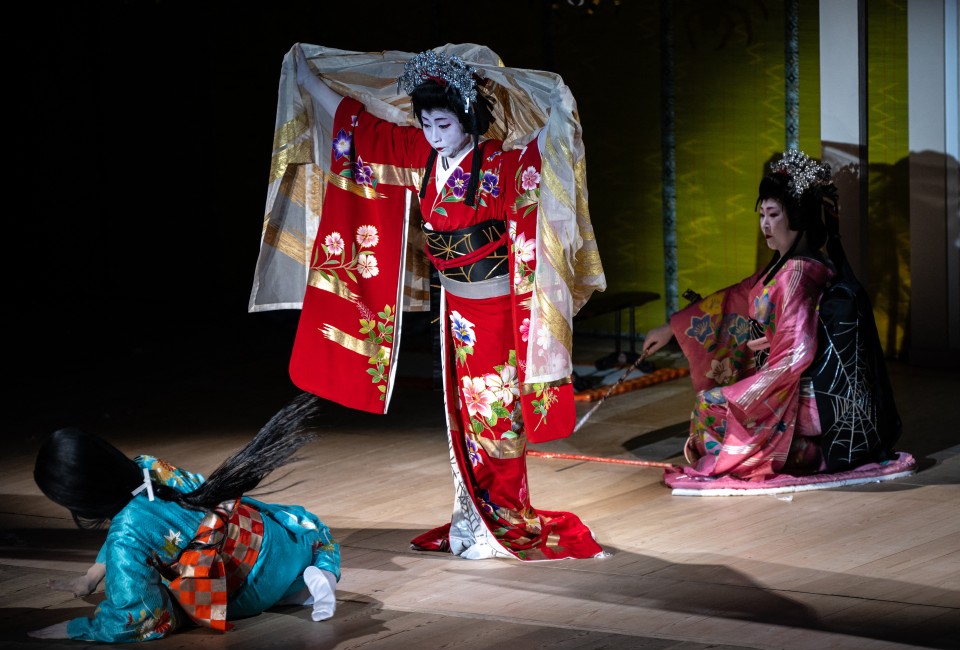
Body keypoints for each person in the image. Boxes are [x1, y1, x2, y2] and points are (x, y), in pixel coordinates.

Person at [249, 44, 607, 561]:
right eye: (427, 124)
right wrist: (309, 79)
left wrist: (556, 102)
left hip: (497, 314)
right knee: (462, 419)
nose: (434, 135)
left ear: (467, 119)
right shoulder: (421, 155)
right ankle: (474, 513)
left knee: (497, 417)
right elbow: (361, 129)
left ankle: (504, 518)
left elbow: (550, 148)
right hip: (456, 313)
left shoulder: (501, 165)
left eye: (443, 124)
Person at [643, 150, 900, 481]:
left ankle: (778, 455)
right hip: (812, 392)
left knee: (709, 406)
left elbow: (797, 352)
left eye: (774, 214)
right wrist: (671, 328)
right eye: (762, 214)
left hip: (810, 396)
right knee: (722, 400)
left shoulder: (795, 275)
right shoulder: (795, 265)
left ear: (798, 217)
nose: (765, 223)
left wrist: (747, 391)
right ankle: (798, 451)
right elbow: (736, 297)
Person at [28, 393, 341, 642]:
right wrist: (93, 576)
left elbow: (137, 618)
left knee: (176, 595)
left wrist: (78, 629)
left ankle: (299, 591)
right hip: (272, 537)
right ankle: (318, 574)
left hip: (249, 588)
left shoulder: (127, 537)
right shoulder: (151, 468)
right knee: (309, 531)